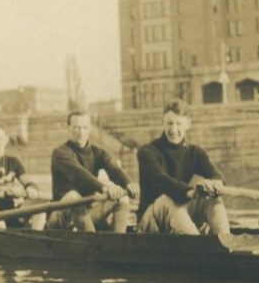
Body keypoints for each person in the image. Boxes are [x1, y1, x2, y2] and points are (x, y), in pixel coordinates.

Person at [136, 99, 231, 238]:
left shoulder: (195, 152)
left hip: (179, 210)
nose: (173, 130)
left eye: (178, 124)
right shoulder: (147, 152)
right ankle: (197, 248)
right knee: (168, 199)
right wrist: (190, 192)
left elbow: (216, 174)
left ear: (188, 124)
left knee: (213, 199)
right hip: (151, 220)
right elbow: (163, 181)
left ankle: (226, 246)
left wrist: (214, 184)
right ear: (162, 123)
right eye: (169, 123)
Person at [49, 111, 139, 233]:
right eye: (76, 127)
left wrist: (128, 183)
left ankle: (118, 243)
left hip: (85, 216)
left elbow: (113, 168)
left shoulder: (99, 153)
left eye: (84, 127)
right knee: (73, 196)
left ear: (90, 129)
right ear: (68, 129)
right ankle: (92, 244)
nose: (81, 132)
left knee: (122, 198)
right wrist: (104, 188)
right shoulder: (60, 153)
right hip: (61, 218)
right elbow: (79, 174)